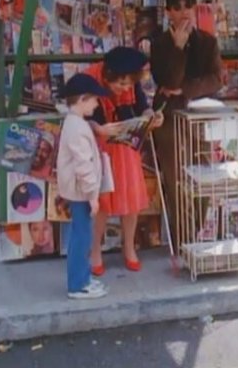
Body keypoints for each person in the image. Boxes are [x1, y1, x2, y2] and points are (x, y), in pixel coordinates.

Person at [150, 0, 223, 245]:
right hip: (169, 118)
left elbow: (217, 79)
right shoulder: (159, 44)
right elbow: (167, 79)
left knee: (202, 173)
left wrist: (185, 89)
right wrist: (177, 50)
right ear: (168, 12)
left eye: (187, 7)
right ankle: (183, 239)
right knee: (175, 178)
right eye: (177, 8)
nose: (183, 13)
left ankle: (200, 233)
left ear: (194, 8)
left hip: (199, 117)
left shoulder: (207, 41)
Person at [84, 47, 164, 275]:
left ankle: (129, 246)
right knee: (101, 202)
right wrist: (98, 128)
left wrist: (151, 117)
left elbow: (142, 107)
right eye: (120, 84)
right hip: (98, 148)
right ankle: (95, 250)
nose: (125, 89)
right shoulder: (89, 79)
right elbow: (77, 115)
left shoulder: (131, 80)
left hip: (126, 146)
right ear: (108, 74)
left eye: (129, 84)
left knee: (130, 199)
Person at [56, 73, 109, 299]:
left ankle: (83, 278)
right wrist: (92, 195)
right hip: (81, 192)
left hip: (79, 190)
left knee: (82, 234)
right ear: (82, 99)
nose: (97, 104)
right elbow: (83, 165)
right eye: (94, 100)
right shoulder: (77, 128)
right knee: (82, 236)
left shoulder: (74, 123)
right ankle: (78, 285)